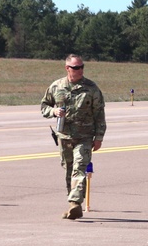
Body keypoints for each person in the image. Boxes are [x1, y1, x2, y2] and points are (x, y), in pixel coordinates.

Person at [40, 54, 106, 220]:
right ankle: (72, 205)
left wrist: (99, 137)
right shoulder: (56, 86)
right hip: (64, 136)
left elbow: (99, 113)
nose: (80, 70)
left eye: (82, 67)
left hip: (84, 137)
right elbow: (44, 106)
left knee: (79, 167)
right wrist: (53, 111)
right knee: (69, 170)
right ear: (67, 68)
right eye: (76, 67)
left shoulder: (91, 88)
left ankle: (75, 202)